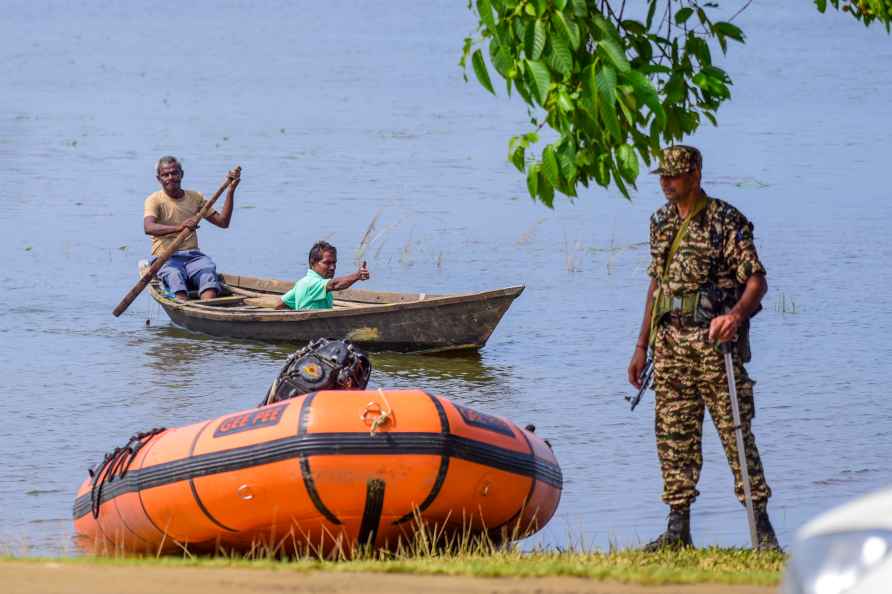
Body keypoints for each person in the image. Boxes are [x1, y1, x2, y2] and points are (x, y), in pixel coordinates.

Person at [627, 145, 780, 551]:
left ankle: (761, 530)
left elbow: (757, 281)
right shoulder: (660, 223)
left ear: (695, 174)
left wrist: (735, 317)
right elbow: (656, 286)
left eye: (674, 176)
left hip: (714, 346)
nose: (666, 183)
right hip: (670, 345)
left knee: (736, 432)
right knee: (673, 435)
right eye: (662, 176)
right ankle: (678, 530)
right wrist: (641, 345)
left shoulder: (725, 220)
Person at [143, 157, 240, 302]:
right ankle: (183, 305)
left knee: (207, 272)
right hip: (166, 258)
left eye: (174, 173)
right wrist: (179, 228)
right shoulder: (154, 200)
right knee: (174, 276)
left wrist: (230, 191)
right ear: (159, 178)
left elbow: (223, 222)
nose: (171, 178)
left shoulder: (195, 198)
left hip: (194, 256)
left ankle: (207, 308)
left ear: (181, 174)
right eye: (165, 175)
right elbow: (149, 227)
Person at [276, 241, 370, 310]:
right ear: (313, 262)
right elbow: (334, 285)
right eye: (327, 263)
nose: (332, 267)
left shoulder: (302, 282)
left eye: (334, 263)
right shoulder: (311, 283)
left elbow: (280, 304)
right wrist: (357, 276)